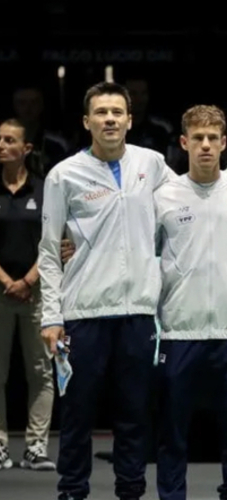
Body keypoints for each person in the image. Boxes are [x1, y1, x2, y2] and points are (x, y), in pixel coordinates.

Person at [37, 82, 227, 500]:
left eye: (117, 112)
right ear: (86, 121)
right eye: (101, 112)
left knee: (134, 417)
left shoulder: (153, 164)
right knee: (77, 416)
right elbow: (50, 251)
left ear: (129, 119)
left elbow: (197, 188)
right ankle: (72, 492)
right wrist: (51, 315)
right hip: (82, 314)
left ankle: (131, 492)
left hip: (139, 313)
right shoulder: (63, 175)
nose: (109, 119)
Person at [154, 105, 227, 500]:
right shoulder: (164, 195)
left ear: (224, 143)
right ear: (184, 142)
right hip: (181, 329)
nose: (205, 145)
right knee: (173, 428)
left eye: (213, 138)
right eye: (197, 138)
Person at [0, 118, 55, 471]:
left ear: (26, 148)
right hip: (0, 291)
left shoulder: (43, 190)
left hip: (36, 292)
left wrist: (28, 280)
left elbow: (54, 240)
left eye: (9, 140)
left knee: (41, 371)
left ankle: (36, 447)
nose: (2, 146)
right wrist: (6, 281)